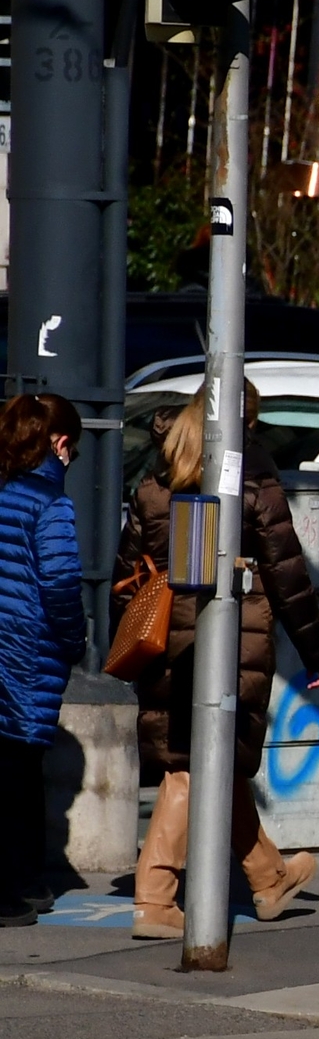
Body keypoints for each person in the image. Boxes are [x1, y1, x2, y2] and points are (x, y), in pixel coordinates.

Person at [116, 390, 319, 939]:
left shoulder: (159, 474)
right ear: (246, 421)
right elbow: (286, 568)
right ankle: (156, 896)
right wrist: (317, 651)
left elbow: (126, 576)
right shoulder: (250, 472)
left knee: (217, 759)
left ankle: (269, 877)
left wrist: (141, 639)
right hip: (234, 636)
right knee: (193, 764)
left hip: (165, 638)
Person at [0, 395, 89, 926]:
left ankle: (25, 883)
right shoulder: (49, 505)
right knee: (18, 769)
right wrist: (76, 641)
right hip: (26, 651)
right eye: (71, 450)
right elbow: (59, 584)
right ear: (58, 443)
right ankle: (14, 891)